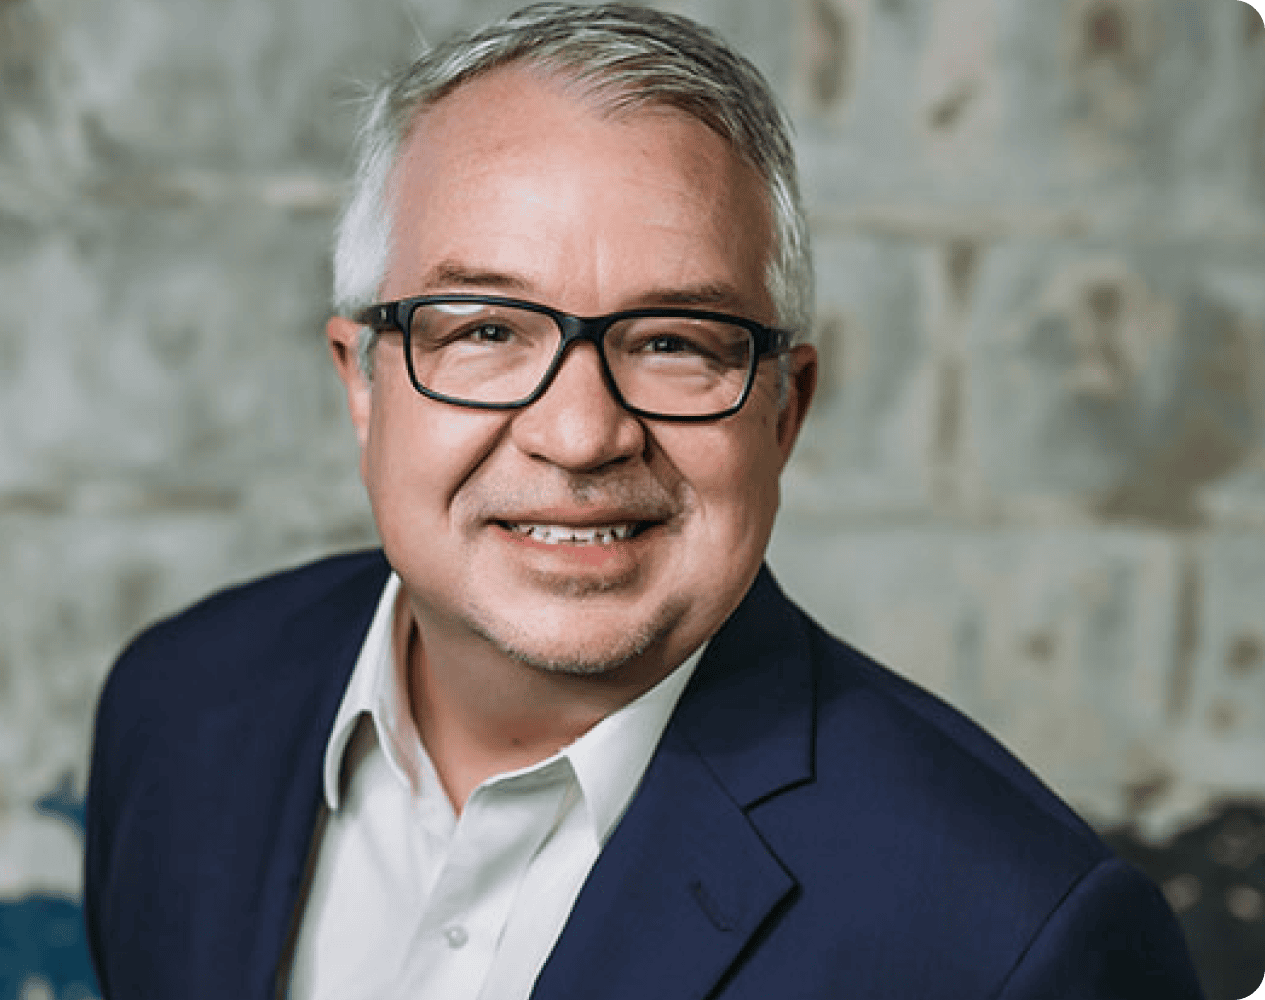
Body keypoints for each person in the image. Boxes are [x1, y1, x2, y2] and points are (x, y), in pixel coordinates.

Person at [82, 4, 1204, 998]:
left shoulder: (1017, 939)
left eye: (673, 341)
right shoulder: (177, 705)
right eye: (484, 329)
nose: (579, 435)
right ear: (362, 383)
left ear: (783, 410)